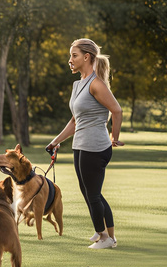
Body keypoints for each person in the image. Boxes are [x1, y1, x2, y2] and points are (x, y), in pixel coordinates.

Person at [46, 38, 124, 249]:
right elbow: (74, 121)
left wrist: (114, 138)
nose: (70, 60)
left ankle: (104, 238)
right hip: (80, 145)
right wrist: (55, 141)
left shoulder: (96, 83)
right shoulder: (78, 84)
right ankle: (109, 235)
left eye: (74, 55)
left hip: (96, 147)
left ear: (87, 57)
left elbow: (116, 110)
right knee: (89, 192)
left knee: (93, 194)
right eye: (70, 55)